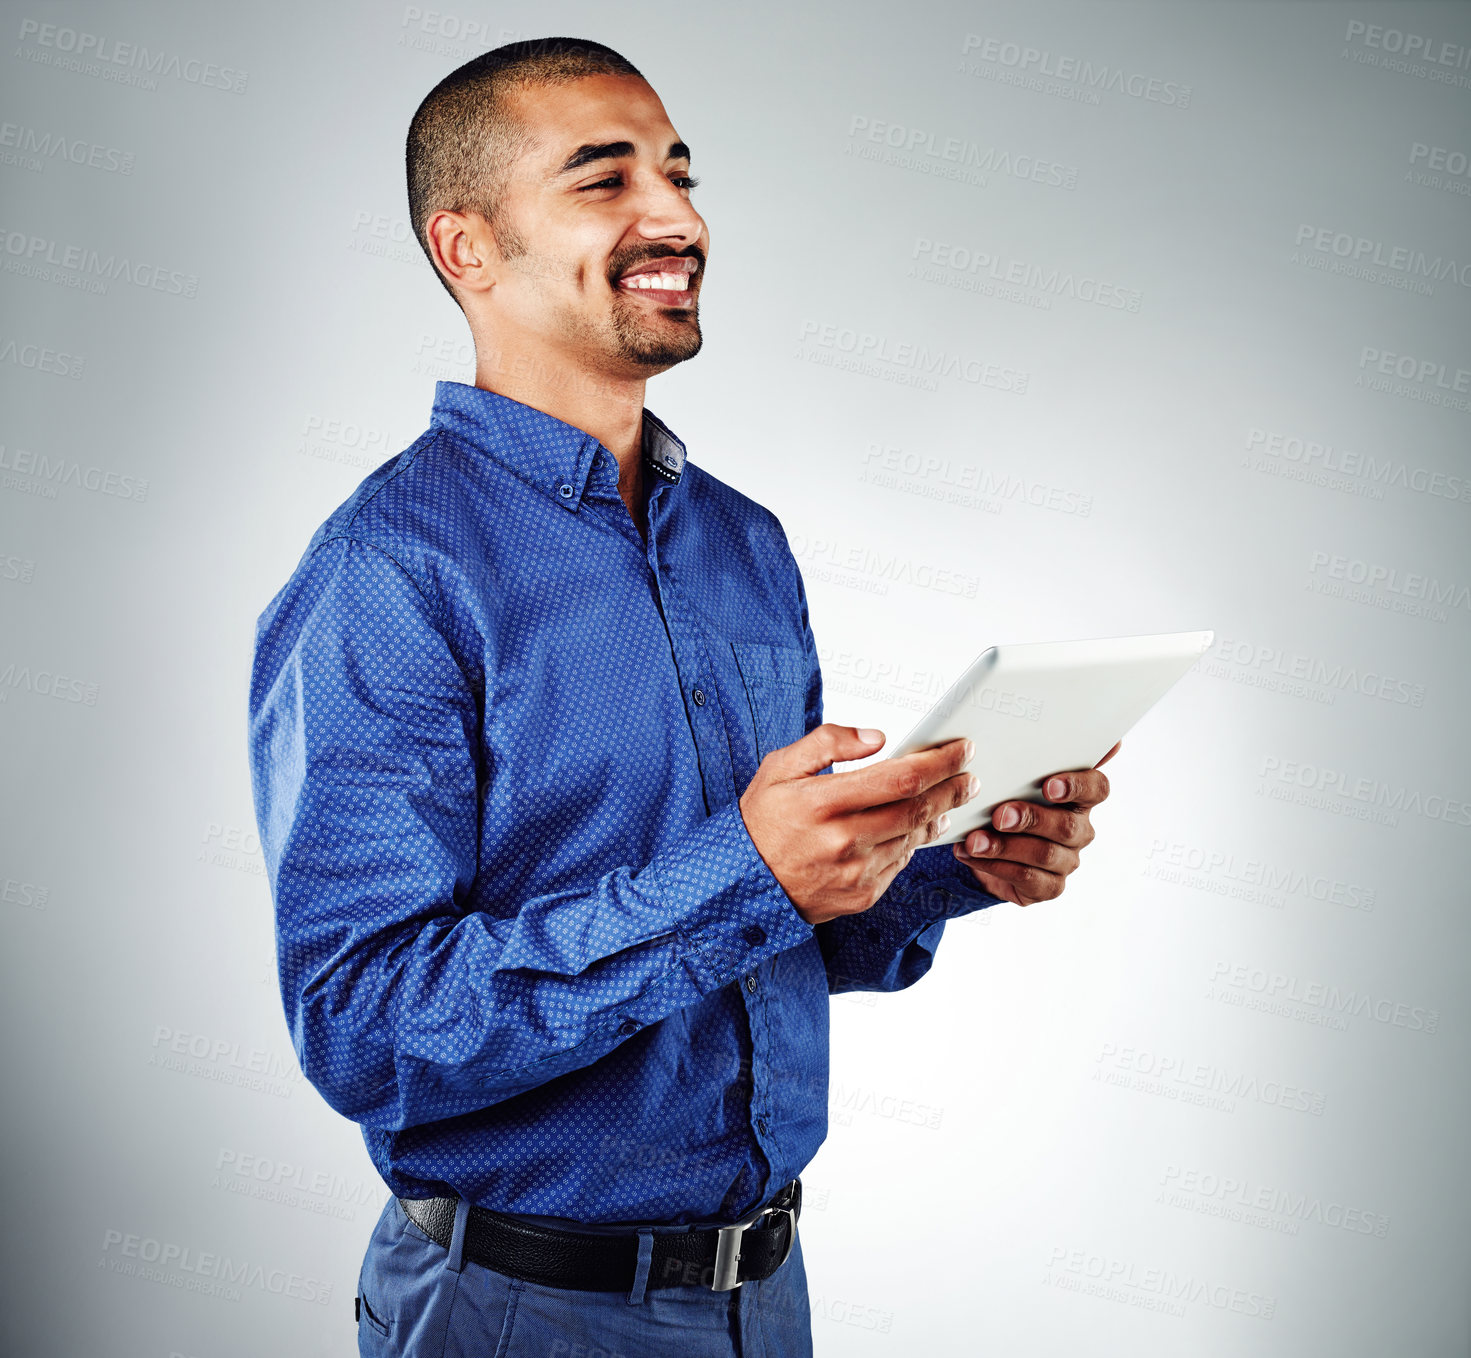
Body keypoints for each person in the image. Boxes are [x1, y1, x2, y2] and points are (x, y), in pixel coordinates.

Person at [246, 36, 1115, 1358]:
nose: (680, 218)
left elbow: (774, 937)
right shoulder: (387, 571)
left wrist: (944, 861)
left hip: (764, 1296)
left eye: (681, 173)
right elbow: (369, 1025)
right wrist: (744, 867)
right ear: (468, 249)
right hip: (515, 1311)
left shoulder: (744, 544)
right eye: (605, 181)